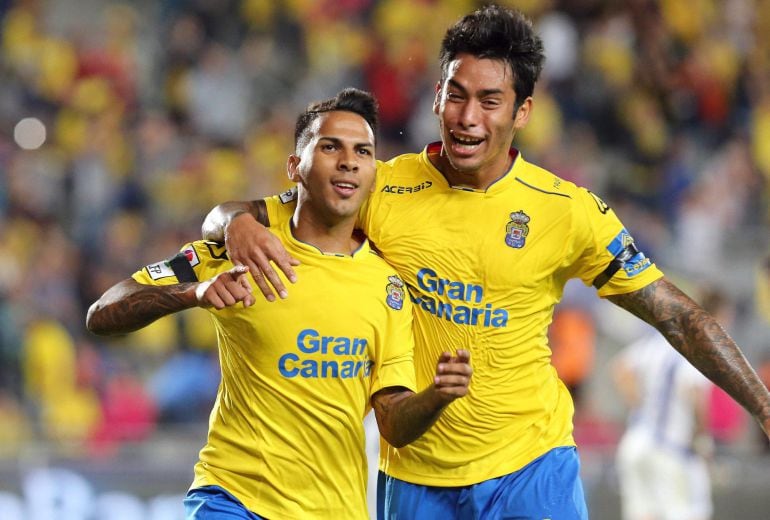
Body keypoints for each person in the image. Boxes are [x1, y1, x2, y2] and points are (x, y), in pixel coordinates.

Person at [201, 6, 770, 519]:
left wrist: (762, 405)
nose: (467, 116)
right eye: (456, 94)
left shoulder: (566, 211)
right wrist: (235, 223)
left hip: (532, 468)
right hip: (416, 476)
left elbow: (675, 314)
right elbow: (234, 214)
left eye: (490, 101)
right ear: (435, 96)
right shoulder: (380, 186)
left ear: (522, 112)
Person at [86, 88, 473, 519]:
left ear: (372, 172)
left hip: (335, 510)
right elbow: (103, 313)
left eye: (362, 151)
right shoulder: (240, 249)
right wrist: (192, 293)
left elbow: (393, 424)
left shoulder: (388, 289)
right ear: (295, 166)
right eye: (330, 147)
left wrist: (438, 395)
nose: (348, 160)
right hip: (233, 500)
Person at [612, 324, 714, 520]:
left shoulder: (652, 343)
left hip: (636, 441)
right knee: (684, 510)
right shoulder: (689, 349)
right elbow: (695, 391)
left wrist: (639, 406)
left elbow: (621, 369)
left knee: (643, 512)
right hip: (670, 448)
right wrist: (702, 436)